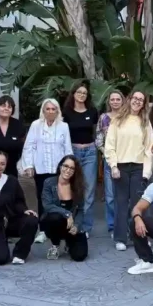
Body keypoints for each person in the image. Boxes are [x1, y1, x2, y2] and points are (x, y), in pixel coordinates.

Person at [103, 90, 153, 251]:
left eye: (141, 99)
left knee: (138, 203)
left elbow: (149, 149)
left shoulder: (145, 122)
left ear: (143, 104)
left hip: (139, 167)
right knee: (121, 203)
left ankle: (140, 236)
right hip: (121, 167)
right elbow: (109, 145)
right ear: (129, 99)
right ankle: (120, 238)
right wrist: (113, 166)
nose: (137, 101)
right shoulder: (117, 120)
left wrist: (146, 173)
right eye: (135, 98)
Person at [20, 98, 73, 243]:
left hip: (58, 170)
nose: (50, 111)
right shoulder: (35, 125)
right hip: (41, 168)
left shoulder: (64, 126)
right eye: (47, 109)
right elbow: (29, 146)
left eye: (53, 109)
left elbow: (67, 148)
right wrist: (29, 165)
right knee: (43, 199)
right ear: (43, 111)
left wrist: (69, 167)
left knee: (60, 198)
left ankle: (60, 228)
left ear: (57, 111)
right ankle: (43, 230)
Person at [62, 81, 98, 235]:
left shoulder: (92, 111)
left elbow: (96, 132)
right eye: (79, 92)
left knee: (89, 190)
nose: (82, 95)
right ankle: (72, 224)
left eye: (84, 93)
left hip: (90, 152)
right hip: (73, 152)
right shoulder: (66, 112)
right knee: (74, 189)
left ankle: (85, 227)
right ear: (73, 94)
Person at [40, 155, 89, 262]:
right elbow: (47, 205)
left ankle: (69, 242)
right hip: (56, 223)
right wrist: (67, 214)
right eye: (66, 166)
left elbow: (80, 210)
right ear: (60, 166)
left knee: (79, 256)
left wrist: (76, 226)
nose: (68, 170)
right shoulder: (49, 182)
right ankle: (55, 244)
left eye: (72, 168)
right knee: (54, 217)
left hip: (71, 225)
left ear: (75, 171)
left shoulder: (78, 186)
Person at [96, 91, 125, 234]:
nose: (115, 102)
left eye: (118, 99)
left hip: (126, 160)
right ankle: (113, 226)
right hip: (109, 161)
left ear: (122, 101)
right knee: (110, 196)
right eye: (112, 99)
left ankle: (125, 225)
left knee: (125, 196)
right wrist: (107, 153)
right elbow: (99, 140)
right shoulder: (104, 118)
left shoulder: (128, 117)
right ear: (109, 102)